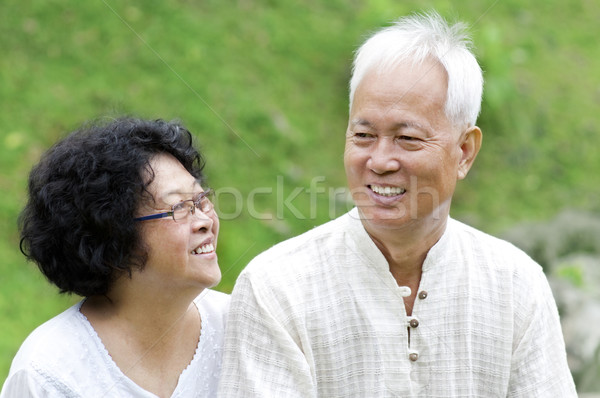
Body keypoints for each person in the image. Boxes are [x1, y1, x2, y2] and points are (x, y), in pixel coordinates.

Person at [218, 12, 577, 397]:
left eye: (407, 139)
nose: (380, 161)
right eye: (363, 135)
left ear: (465, 151)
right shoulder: (277, 289)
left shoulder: (516, 286)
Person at [1, 117, 229, 397]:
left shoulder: (241, 328)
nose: (205, 219)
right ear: (113, 236)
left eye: (201, 199)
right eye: (179, 207)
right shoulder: (49, 372)